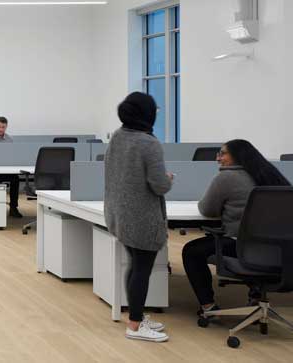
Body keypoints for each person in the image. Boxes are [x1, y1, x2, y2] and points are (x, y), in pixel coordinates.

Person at [182, 139, 290, 318]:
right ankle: (255, 294)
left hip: (242, 247)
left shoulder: (227, 177)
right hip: (278, 252)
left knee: (191, 251)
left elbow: (207, 209)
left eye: (222, 153)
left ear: (237, 156)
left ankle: (208, 306)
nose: (217, 158)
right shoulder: (271, 175)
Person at [104, 92, 173, 343]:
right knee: (142, 269)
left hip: (120, 213)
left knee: (135, 265)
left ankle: (136, 315)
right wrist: (169, 179)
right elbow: (160, 186)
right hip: (142, 216)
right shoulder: (148, 142)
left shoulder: (117, 137)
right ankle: (134, 325)